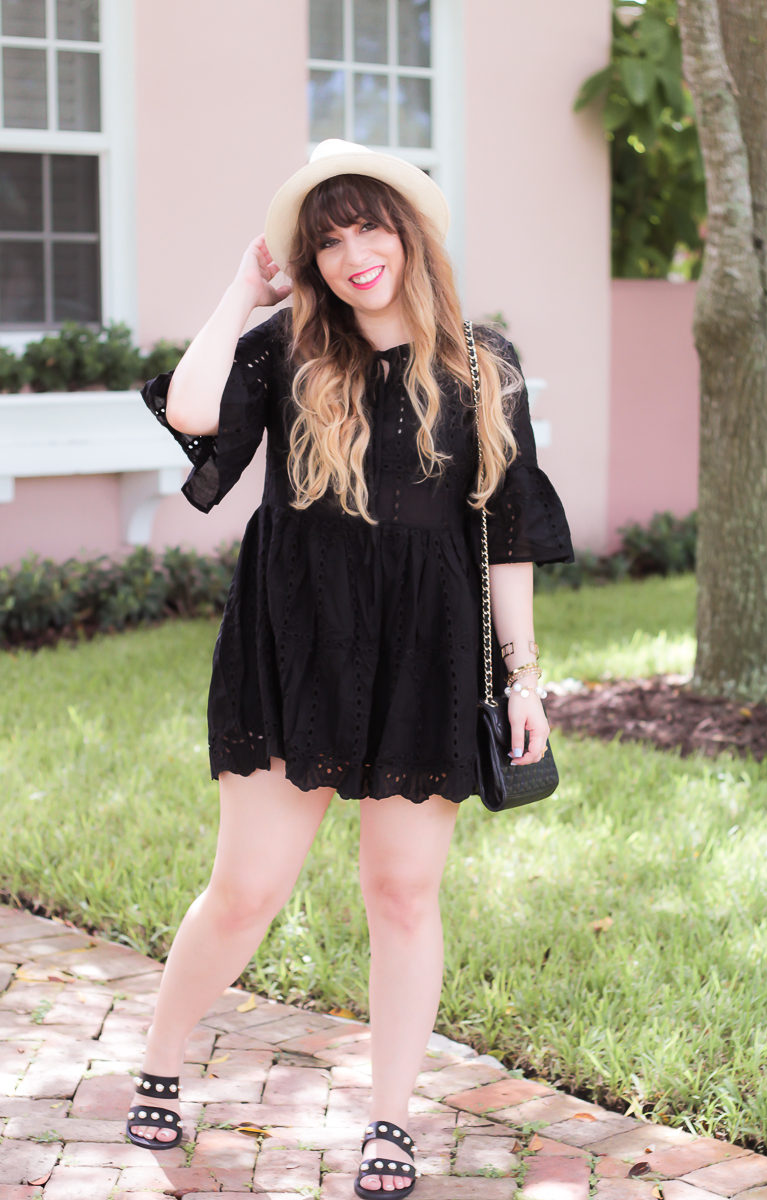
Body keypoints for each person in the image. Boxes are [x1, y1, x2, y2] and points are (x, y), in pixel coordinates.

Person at [128, 139, 573, 1196]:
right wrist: (243, 287)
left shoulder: (479, 360)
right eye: (327, 239)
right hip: (295, 639)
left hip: (427, 654)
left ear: (409, 232)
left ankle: (387, 1119)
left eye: (369, 226)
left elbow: (502, 528)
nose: (352, 253)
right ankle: (156, 1058)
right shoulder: (286, 347)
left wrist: (523, 678)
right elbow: (191, 414)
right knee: (244, 892)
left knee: (402, 894)